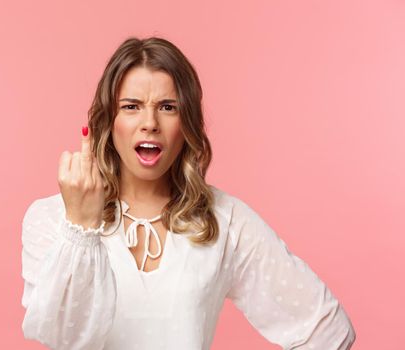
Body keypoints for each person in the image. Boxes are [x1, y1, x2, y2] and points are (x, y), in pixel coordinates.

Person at [20, 36, 356, 350]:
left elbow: (325, 328)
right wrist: (82, 226)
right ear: (109, 121)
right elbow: (61, 336)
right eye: (131, 106)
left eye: (168, 107)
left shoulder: (226, 221)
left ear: (187, 123)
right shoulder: (49, 219)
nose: (150, 122)